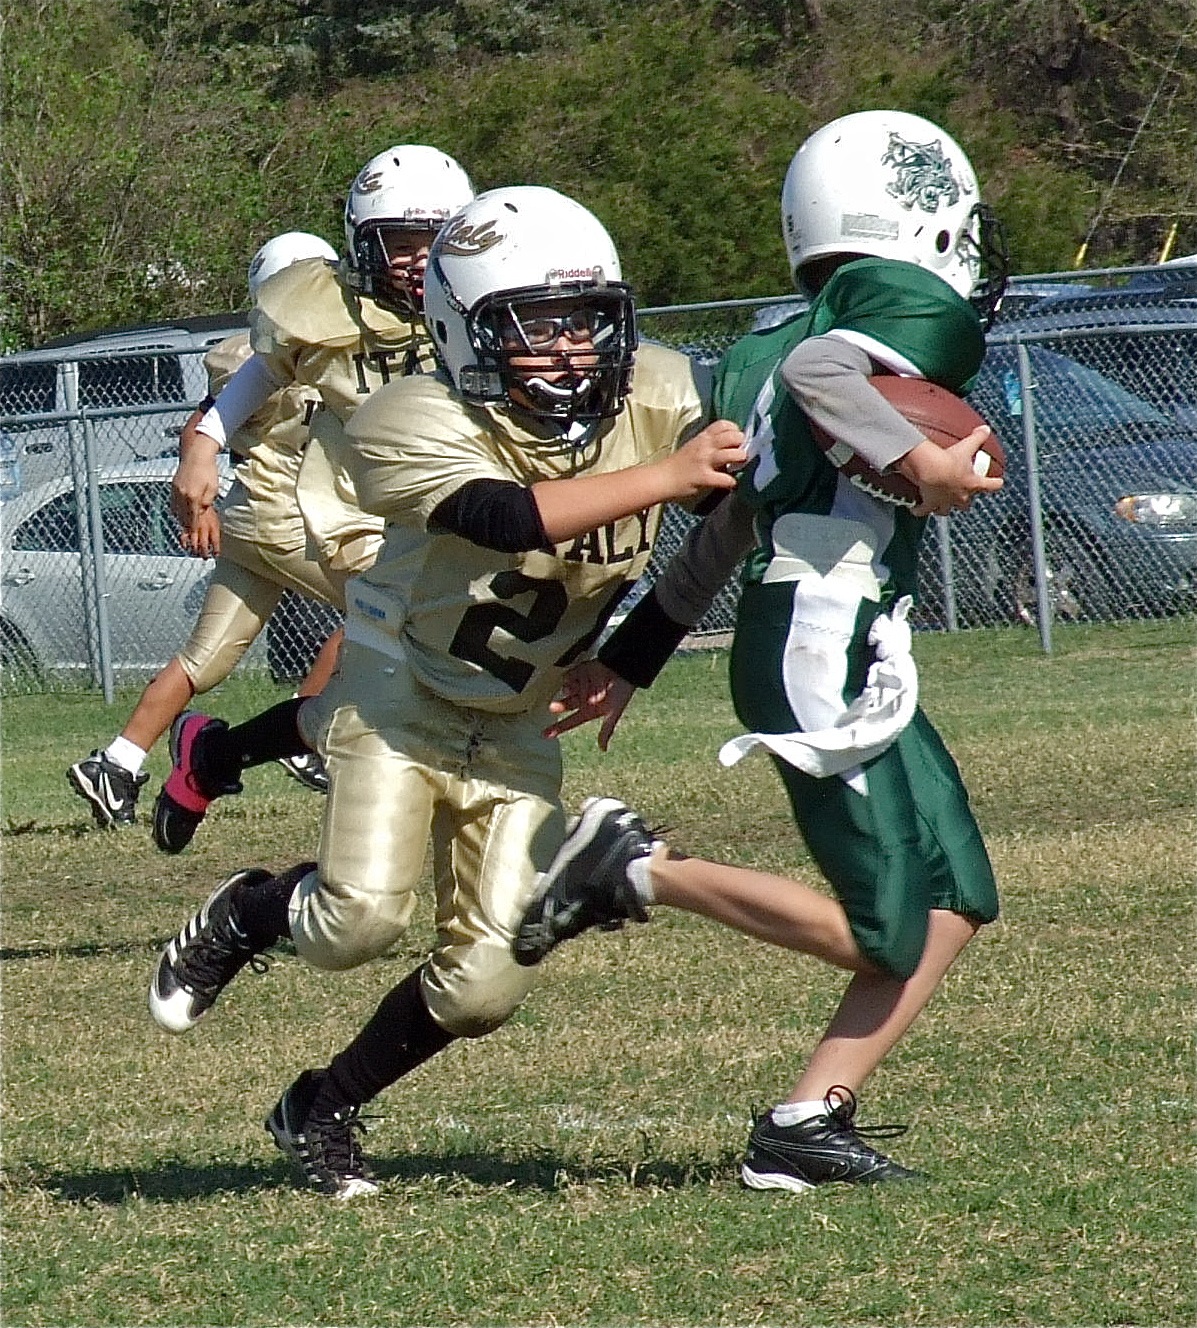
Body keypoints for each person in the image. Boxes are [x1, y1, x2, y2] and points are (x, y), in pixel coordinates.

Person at [145, 184, 749, 1200]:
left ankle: (322, 1105)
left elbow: (736, 516)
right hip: (401, 692)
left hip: (518, 717)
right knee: (356, 923)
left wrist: (632, 655)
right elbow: (506, 516)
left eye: (587, 322)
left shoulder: (658, 397)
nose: (571, 352)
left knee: (484, 985)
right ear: (466, 331)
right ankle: (251, 909)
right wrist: (668, 476)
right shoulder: (409, 414)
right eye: (537, 327)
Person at [514, 110, 1011, 1195]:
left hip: (843, 637)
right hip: (819, 643)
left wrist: (630, 657)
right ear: (924, 221)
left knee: (958, 892)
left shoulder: (770, 350)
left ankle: (804, 1121)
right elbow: (832, 370)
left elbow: (725, 531)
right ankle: (632, 867)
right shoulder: (876, 320)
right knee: (885, 929)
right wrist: (918, 458)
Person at [142, 144, 476, 852]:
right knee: (409, 672)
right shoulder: (331, 308)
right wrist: (204, 444)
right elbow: (266, 371)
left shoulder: (483, 300)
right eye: (402, 243)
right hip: (362, 512)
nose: (420, 260)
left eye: (436, 239)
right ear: (363, 244)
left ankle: (218, 755)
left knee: (419, 675)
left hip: (450, 500)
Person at [67, 229, 341, 828]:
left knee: (202, 660)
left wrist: (203, 507)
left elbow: (203, 428)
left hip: (251, 523)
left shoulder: (288, 350)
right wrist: (195, 504)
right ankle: (304, 730)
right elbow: (203, 427)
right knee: (387, 605)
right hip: (285, 517)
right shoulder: (274, 355)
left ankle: (116, 762)